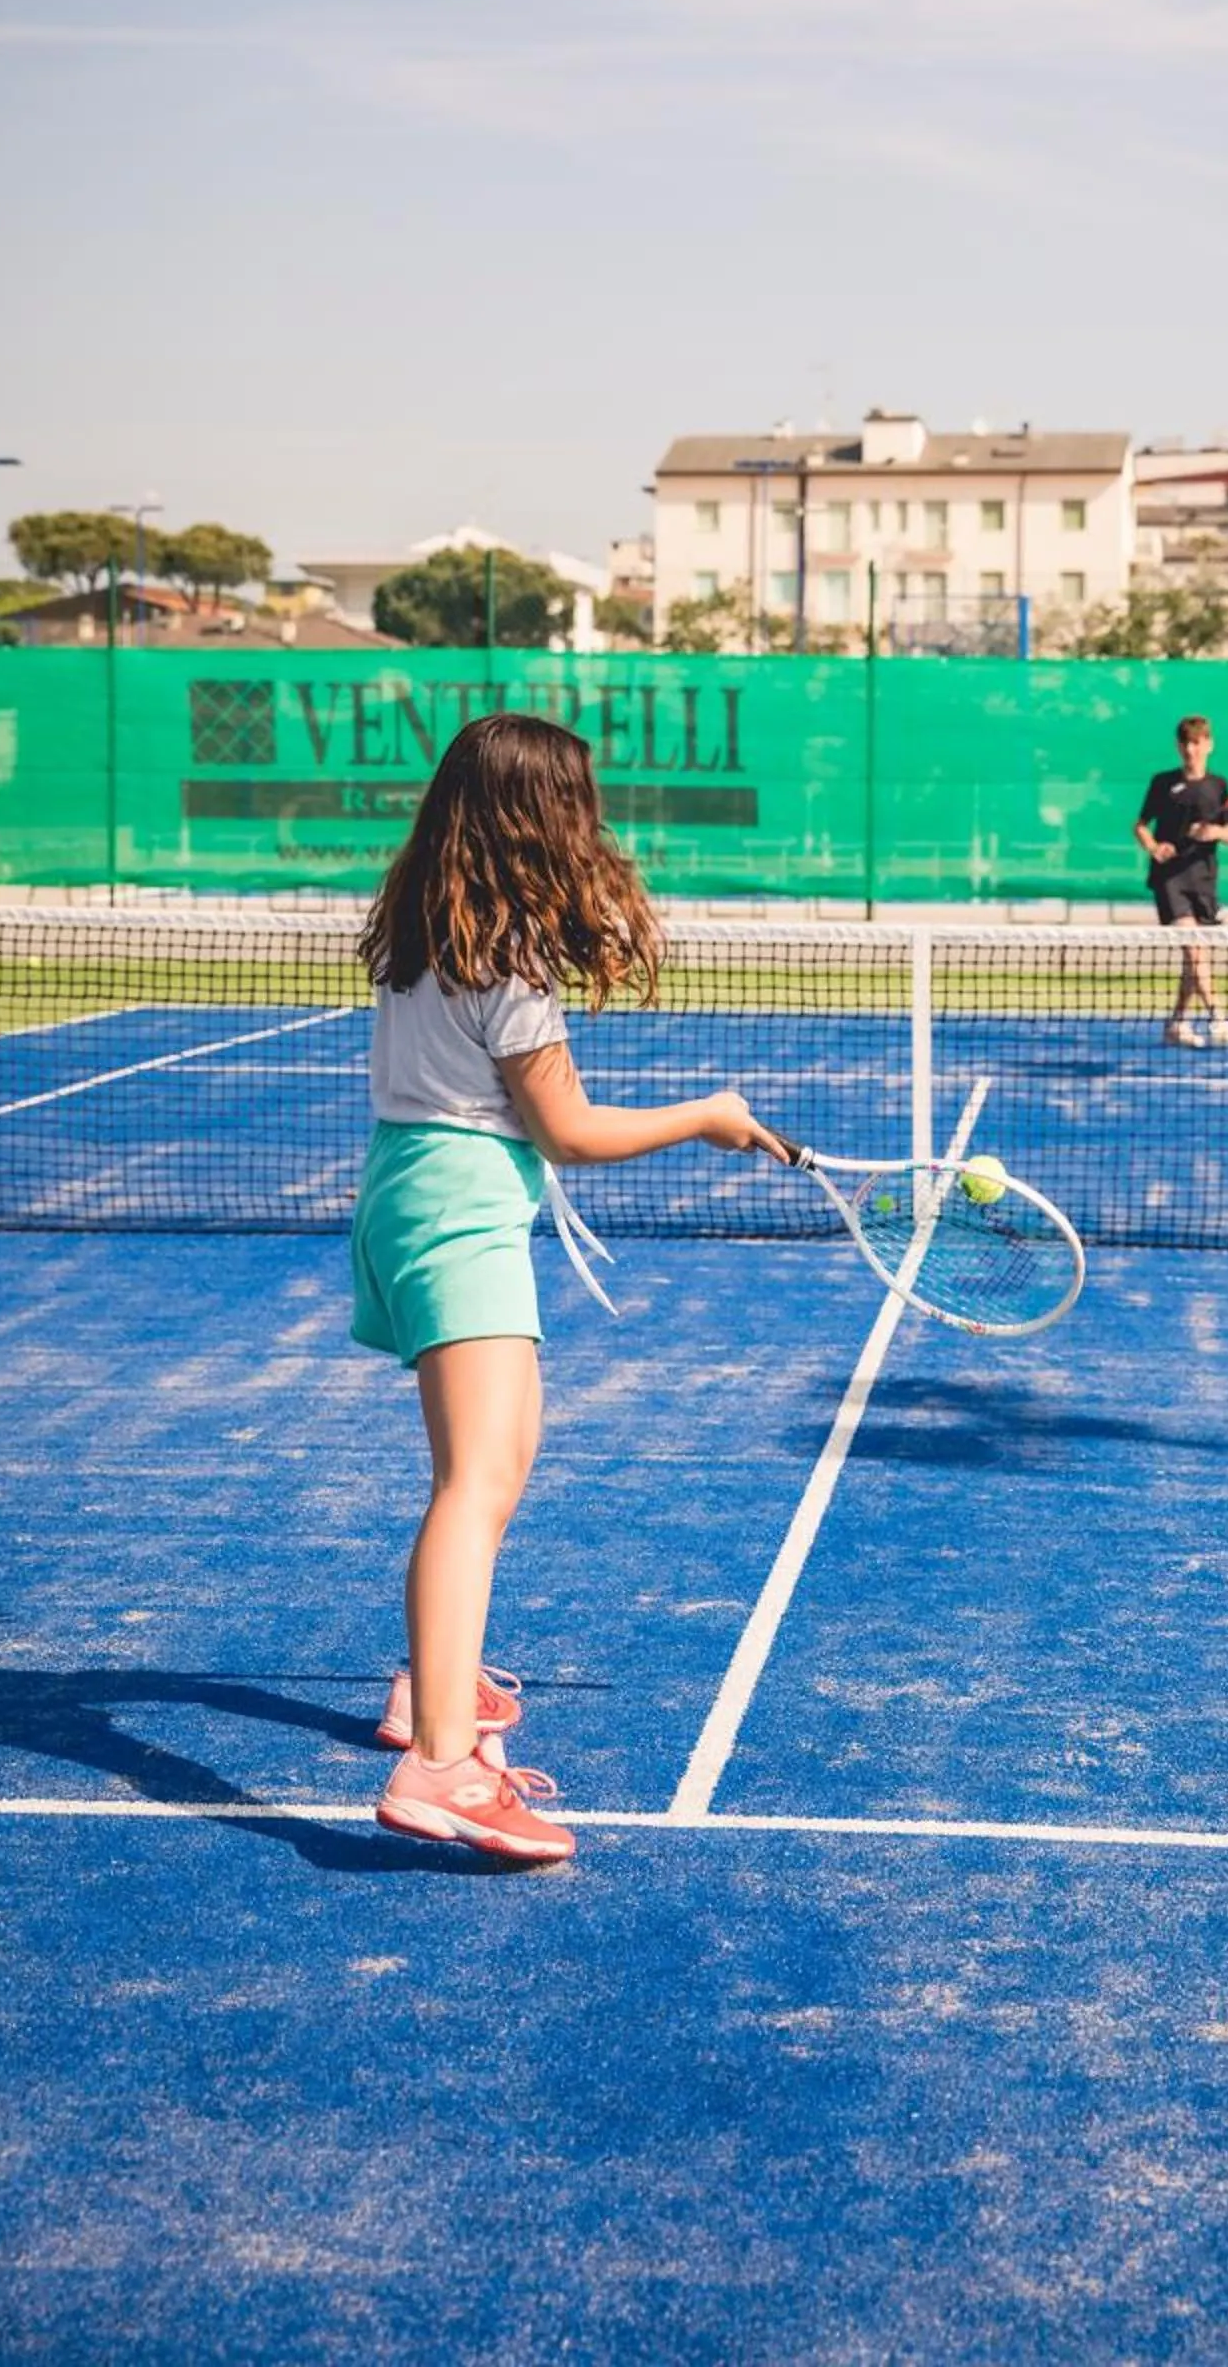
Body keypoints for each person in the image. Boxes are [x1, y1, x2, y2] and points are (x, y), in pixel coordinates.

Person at [351, 711, 778, 1864]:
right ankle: (437, 1765)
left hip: (416, 1191)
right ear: (538, 817)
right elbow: (572, 1132)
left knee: (504, 1455)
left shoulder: (420, 924)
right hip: (457, 1209)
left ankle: (432, 1688)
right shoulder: (508, 966)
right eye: (575, 802)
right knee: (474, 1486)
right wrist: (708, 1117)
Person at [1134, 714, 1228, 1049]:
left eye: (1197, 743)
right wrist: (1154, 847)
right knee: (1195, 950)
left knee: (1193, 959)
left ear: (1208, 745)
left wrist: (1212, 831)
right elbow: (1140, 825)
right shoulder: (1163, 783)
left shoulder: (1218, 785)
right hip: (1170, 879)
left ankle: (1176, 1023)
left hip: (1204, 880)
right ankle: (1218, 1017)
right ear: (1179, 747)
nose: (1190, 749)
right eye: (1185, 743)